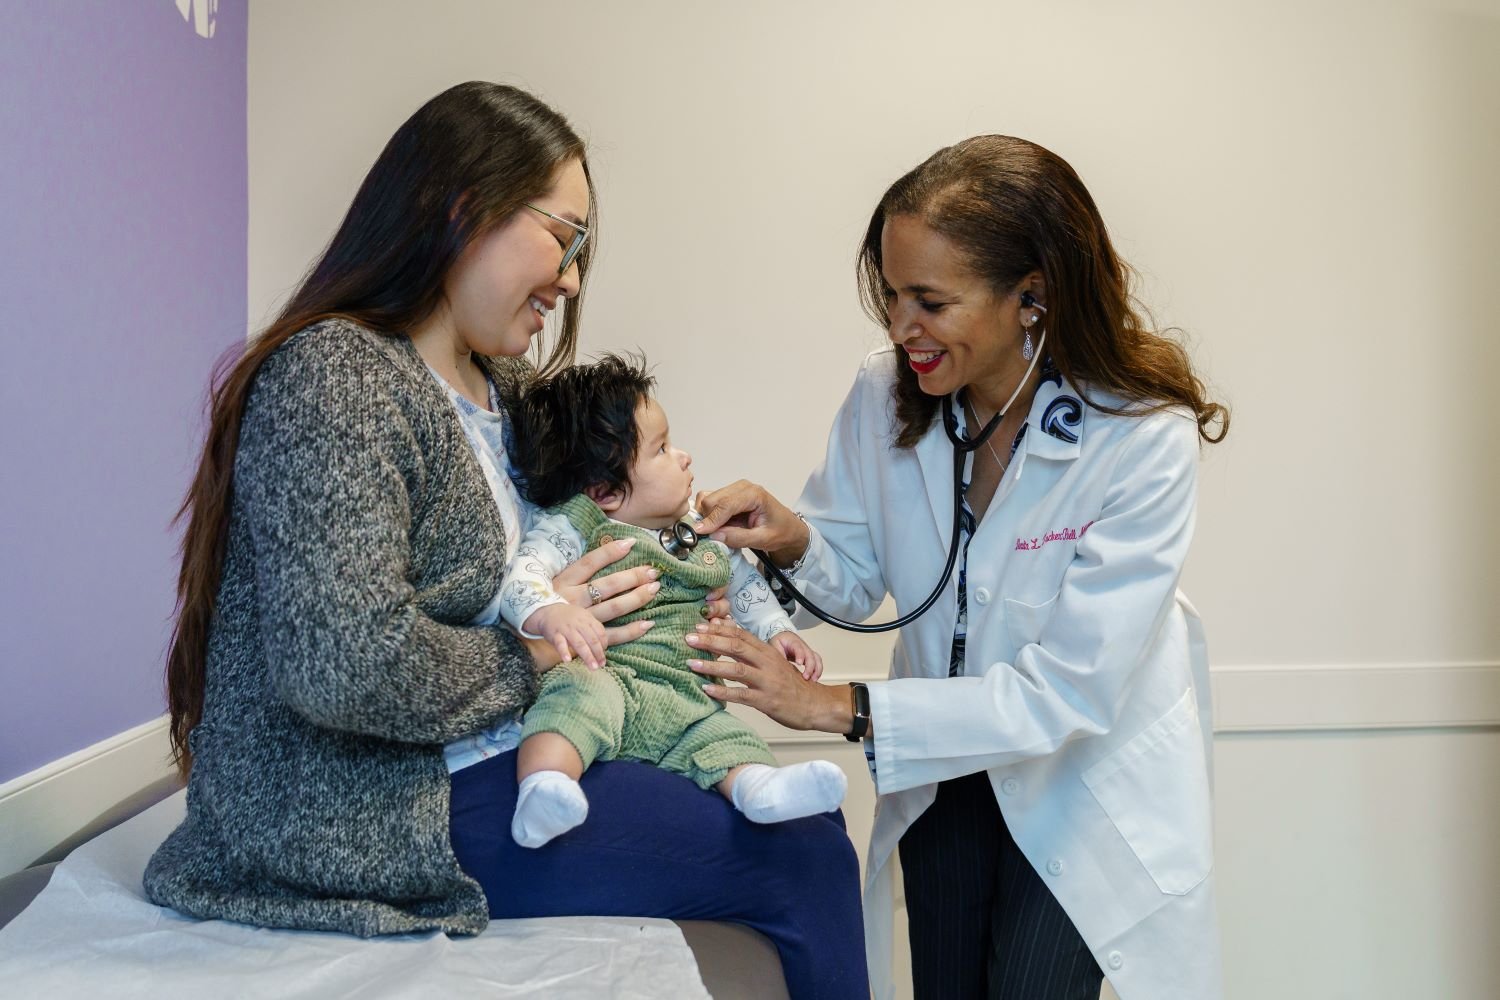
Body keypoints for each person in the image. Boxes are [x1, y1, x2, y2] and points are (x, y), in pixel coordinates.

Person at [143, 81, 867, 1000]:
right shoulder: (337, 376)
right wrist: (537, 656)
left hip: (506, 750)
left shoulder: (505, 395)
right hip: (374, 810)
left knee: (789, 817)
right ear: (464, 209)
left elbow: (594, 529)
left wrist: (680, 590)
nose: (569, 280)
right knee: (802, 855)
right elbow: (346, 664)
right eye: (563, 240)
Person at [688, 135, 1230, 1000]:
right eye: (894, 296)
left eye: (930, 301)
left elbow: (1071, 692)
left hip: (1081, 785)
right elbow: (858, 581)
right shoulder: (884, 394)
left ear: (1032, 298)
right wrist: (791, 538)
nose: (903, 328)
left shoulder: (1139, 436)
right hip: (948, 776)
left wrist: (840, 707)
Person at [495, 354, 844, 848]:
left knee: (724, 736)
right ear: (606, 492)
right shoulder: (579, 526)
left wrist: (776, 631)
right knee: (571, 708)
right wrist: (550, 611)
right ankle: (545, 788)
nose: (684, 457)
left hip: (686, 696)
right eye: (661, 449)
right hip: (606, 676)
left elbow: (743, 586)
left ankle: (760, 787)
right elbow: (522, 575)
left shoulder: (697, 534)